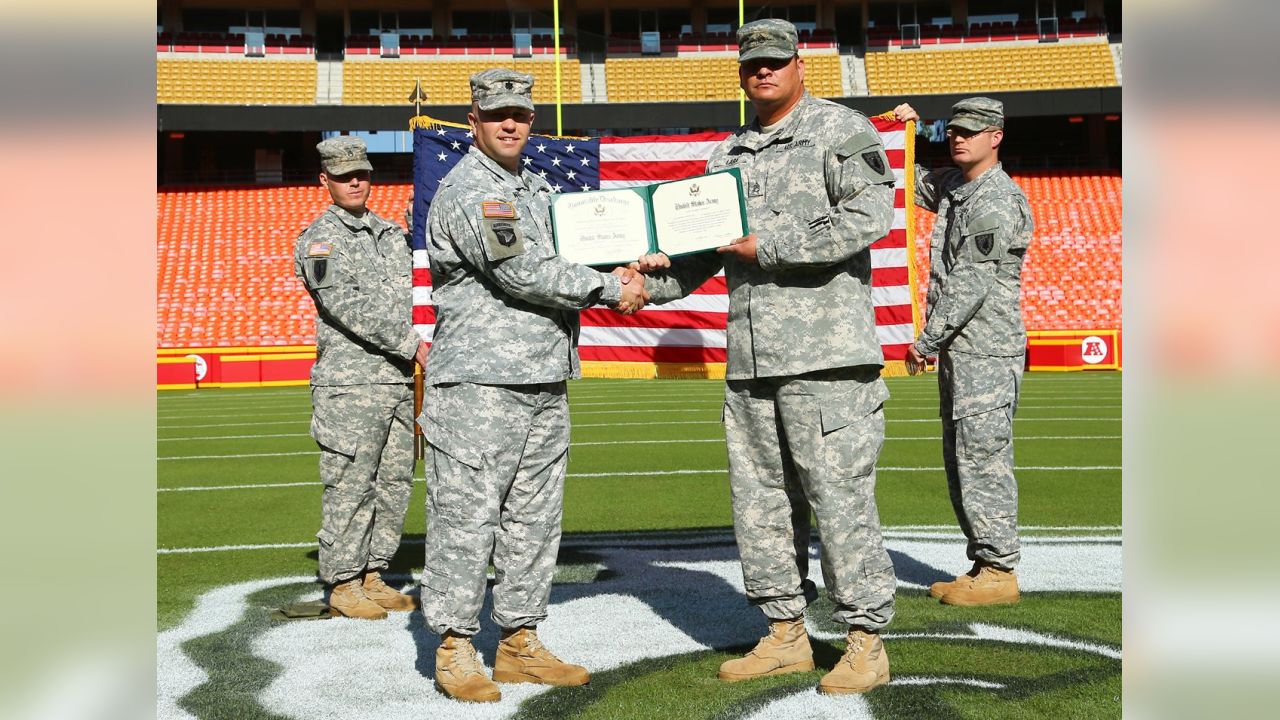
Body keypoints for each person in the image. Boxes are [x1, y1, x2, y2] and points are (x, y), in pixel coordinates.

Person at [632, 19, 898, 694]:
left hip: (827, 360)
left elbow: (870, 217)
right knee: (760, 506)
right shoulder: (729, 154)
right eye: (753, 64)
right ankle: (785, 633)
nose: (764, 73)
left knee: (839, 502)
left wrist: (769, 244)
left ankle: (865, 639)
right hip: (752, 364)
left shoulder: (843, 131)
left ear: (799, 64)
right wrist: (642, 281)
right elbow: (703, 250)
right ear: (742, 72)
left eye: (776, 62)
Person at [420, 68, 648, 703]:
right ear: (474, 122)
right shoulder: (474, 190)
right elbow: (521, 271)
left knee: (533, 519)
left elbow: (574, 253)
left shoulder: (538, 189)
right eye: (497, 115)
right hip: (480, 384)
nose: (512, 124)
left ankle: (519, 641)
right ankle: (456, 647)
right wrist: (610, 288)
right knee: (468, 518)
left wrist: (634, 261)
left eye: (520, 113)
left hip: (543, 376)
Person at [893, 98, 1034, 606]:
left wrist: (927, 338)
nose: (958, 139)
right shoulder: (956, 187)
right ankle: (983, 560)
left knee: (983, 457)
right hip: (964, 351)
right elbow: (904, 180)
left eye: (970, 132)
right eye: (952, 131)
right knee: (961, 457)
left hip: (987, 351)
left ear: (996, 136)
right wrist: (898, 131)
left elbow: (972, 282)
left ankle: (999, 569)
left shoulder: (995, 200)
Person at [293, 137, 430, 620]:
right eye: (344, 175)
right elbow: (349, 307)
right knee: (350, 485)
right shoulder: (319, 240)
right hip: (349, 387)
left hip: (397, 383)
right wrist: (415, 345)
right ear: (324, 181)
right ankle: (343, 580)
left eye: (363, 174)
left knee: (393, 484)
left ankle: (373, 571)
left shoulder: (393, 234)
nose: (355, 182)